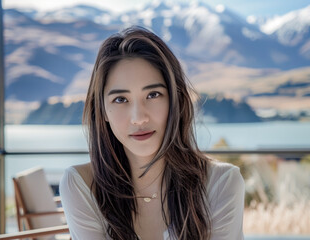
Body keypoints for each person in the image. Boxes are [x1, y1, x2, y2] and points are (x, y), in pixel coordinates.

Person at [60, 26, 245, 240]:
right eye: (120, 99)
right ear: (102, 111)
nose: (139, 118)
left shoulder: (221, 184)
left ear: (175, 101)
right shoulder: (81, 185)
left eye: (153, 94)